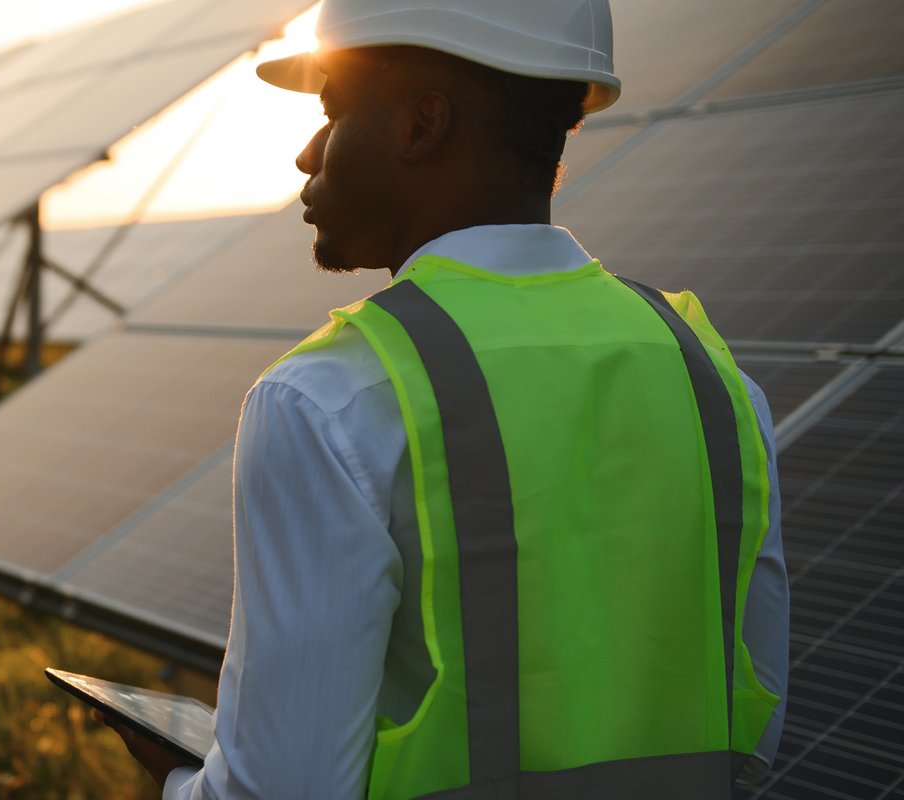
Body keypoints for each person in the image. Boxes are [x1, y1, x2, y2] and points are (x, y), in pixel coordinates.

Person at [96, 1, 789, 797]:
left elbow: (279, 792)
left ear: (421, 125)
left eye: (332, 112)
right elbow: (751, 737)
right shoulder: (714, 377)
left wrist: (182, 777)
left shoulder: (327, 399)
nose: (305, 155)